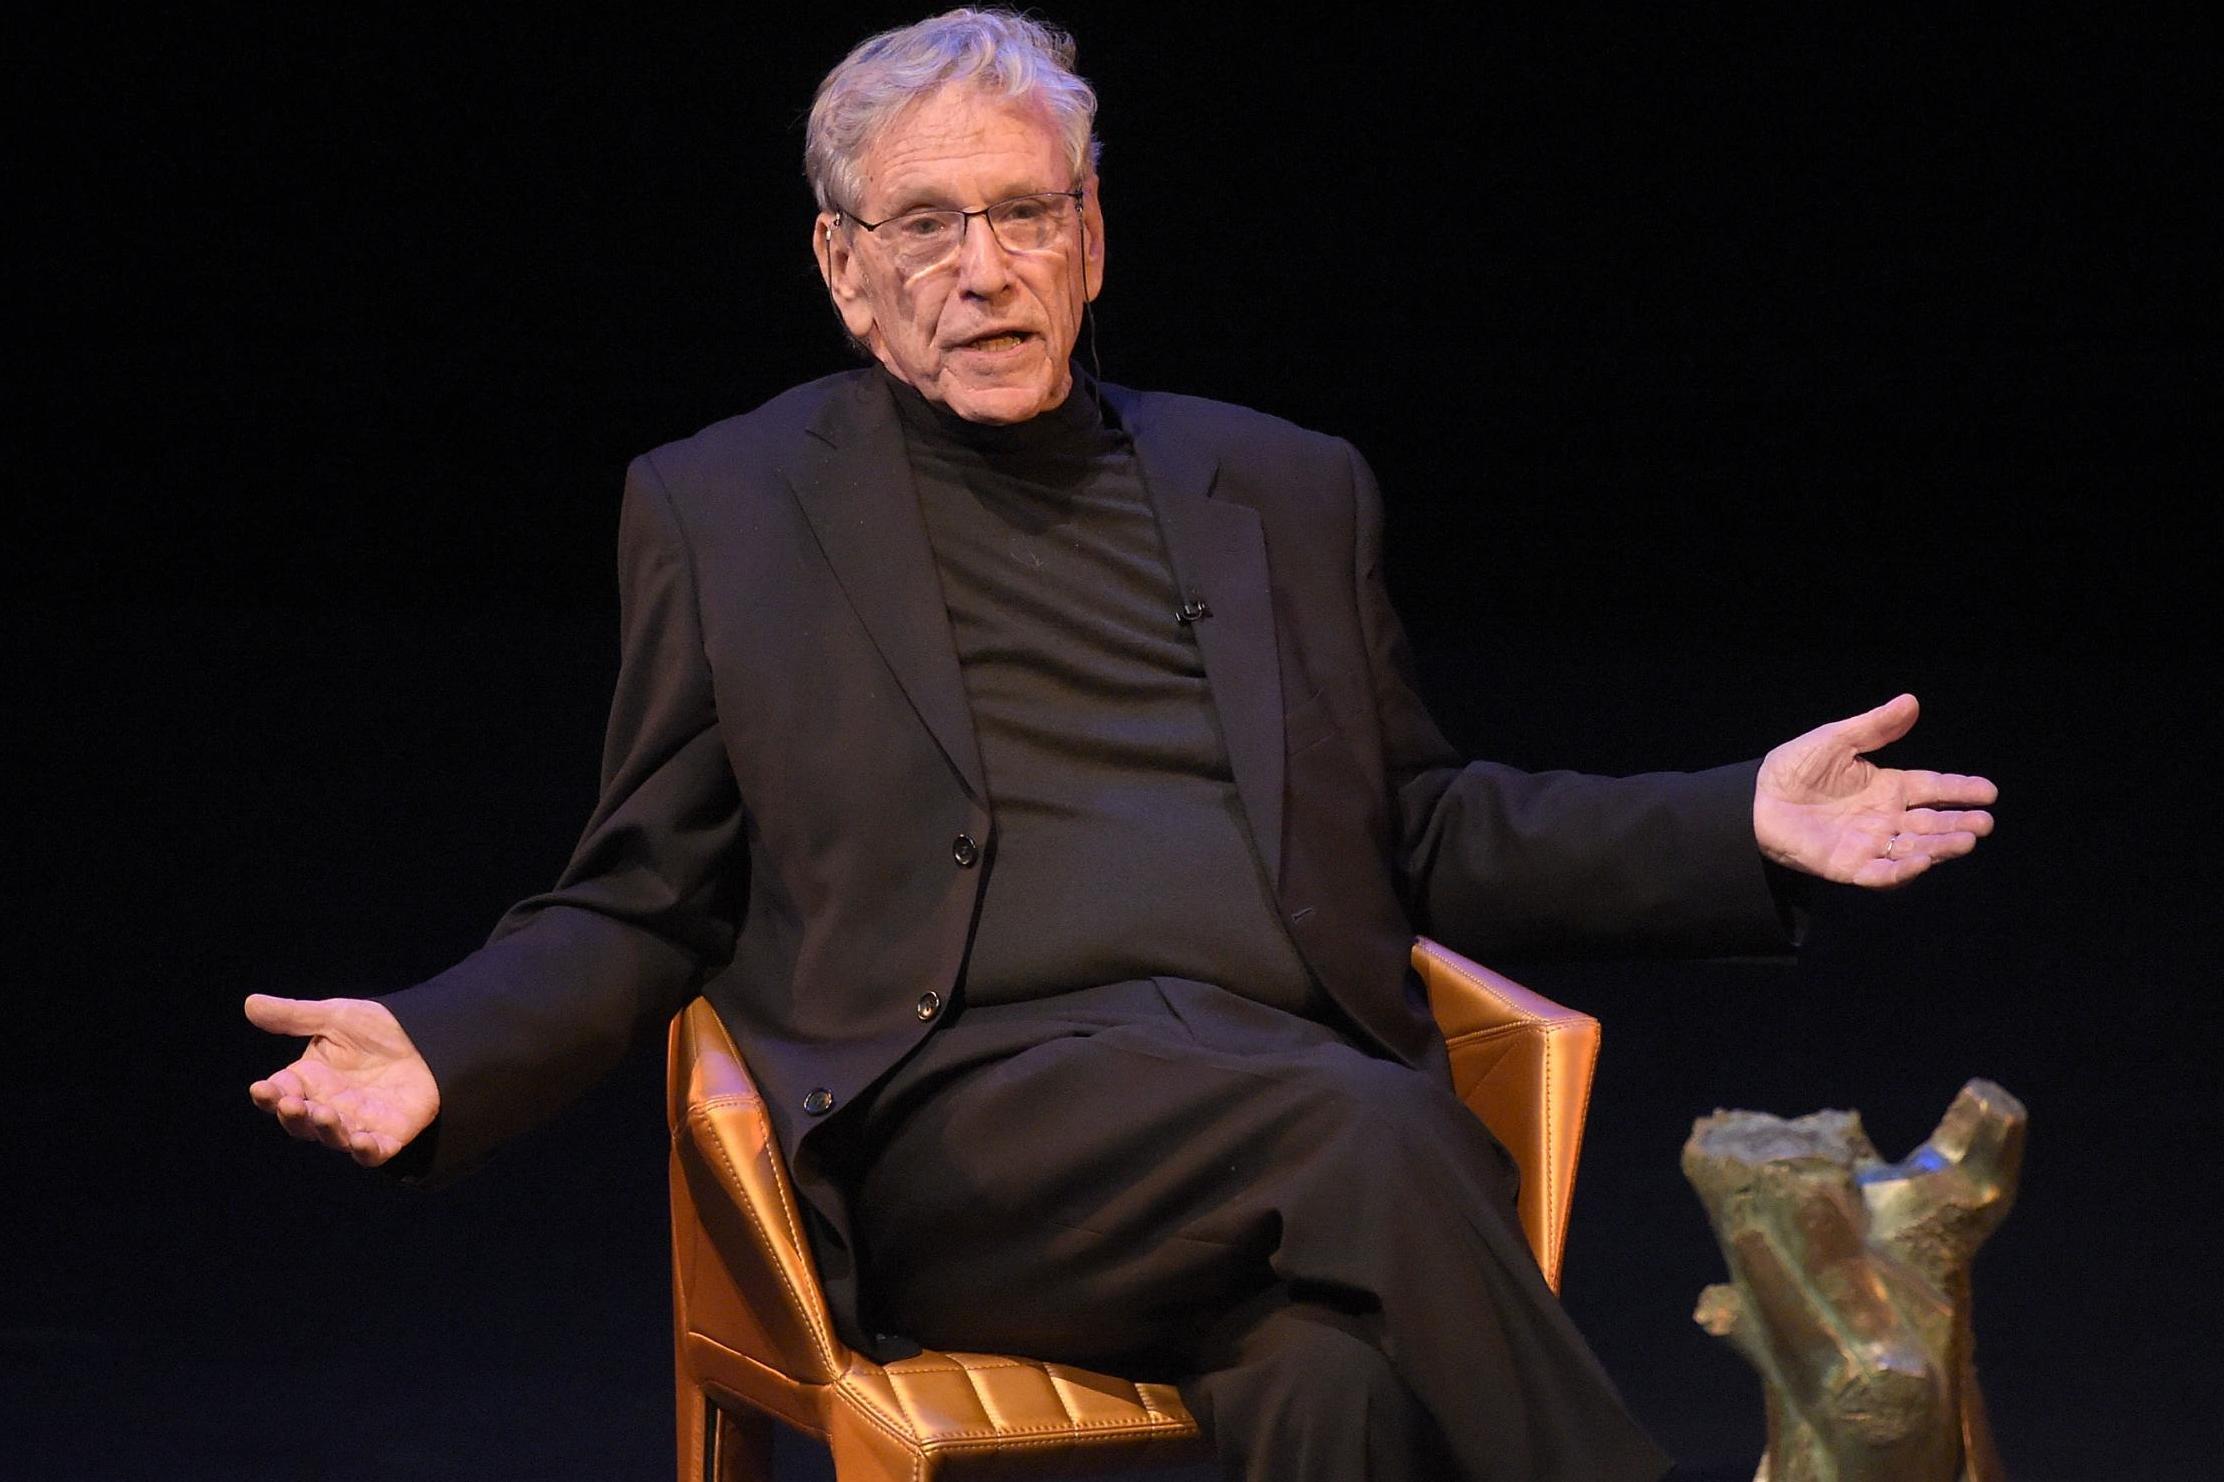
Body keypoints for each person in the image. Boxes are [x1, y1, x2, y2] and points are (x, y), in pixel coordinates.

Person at [246, 11, 1996, 1480]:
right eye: (925, 227)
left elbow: (1423, 826)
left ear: (1093, 237)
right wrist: (444, 1044)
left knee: (1338, 1385)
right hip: (978, 1134)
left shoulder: (1282, 486)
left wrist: (1737, 825)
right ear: (842, 271)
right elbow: (642, 894)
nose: (984, 272)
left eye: (1025, 214)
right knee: (1378, 1133)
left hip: (1276, 1102)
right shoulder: (727, 509)